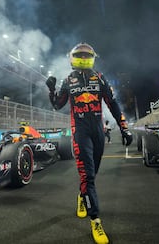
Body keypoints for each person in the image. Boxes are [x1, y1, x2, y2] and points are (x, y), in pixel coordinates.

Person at [46, 42, 132, 244]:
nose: (83, 58)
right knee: (89, 176)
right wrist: (51, 90)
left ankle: (81, 195)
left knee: (92, 174)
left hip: (98, 131)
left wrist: (124, 127)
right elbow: (58, 105)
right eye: (80, 55)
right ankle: (95, 220)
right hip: (80, 131)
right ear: (72, 57)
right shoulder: (68, 80)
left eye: (87, 55)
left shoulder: (100, 77)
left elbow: (113, 103)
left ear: (93, 57)